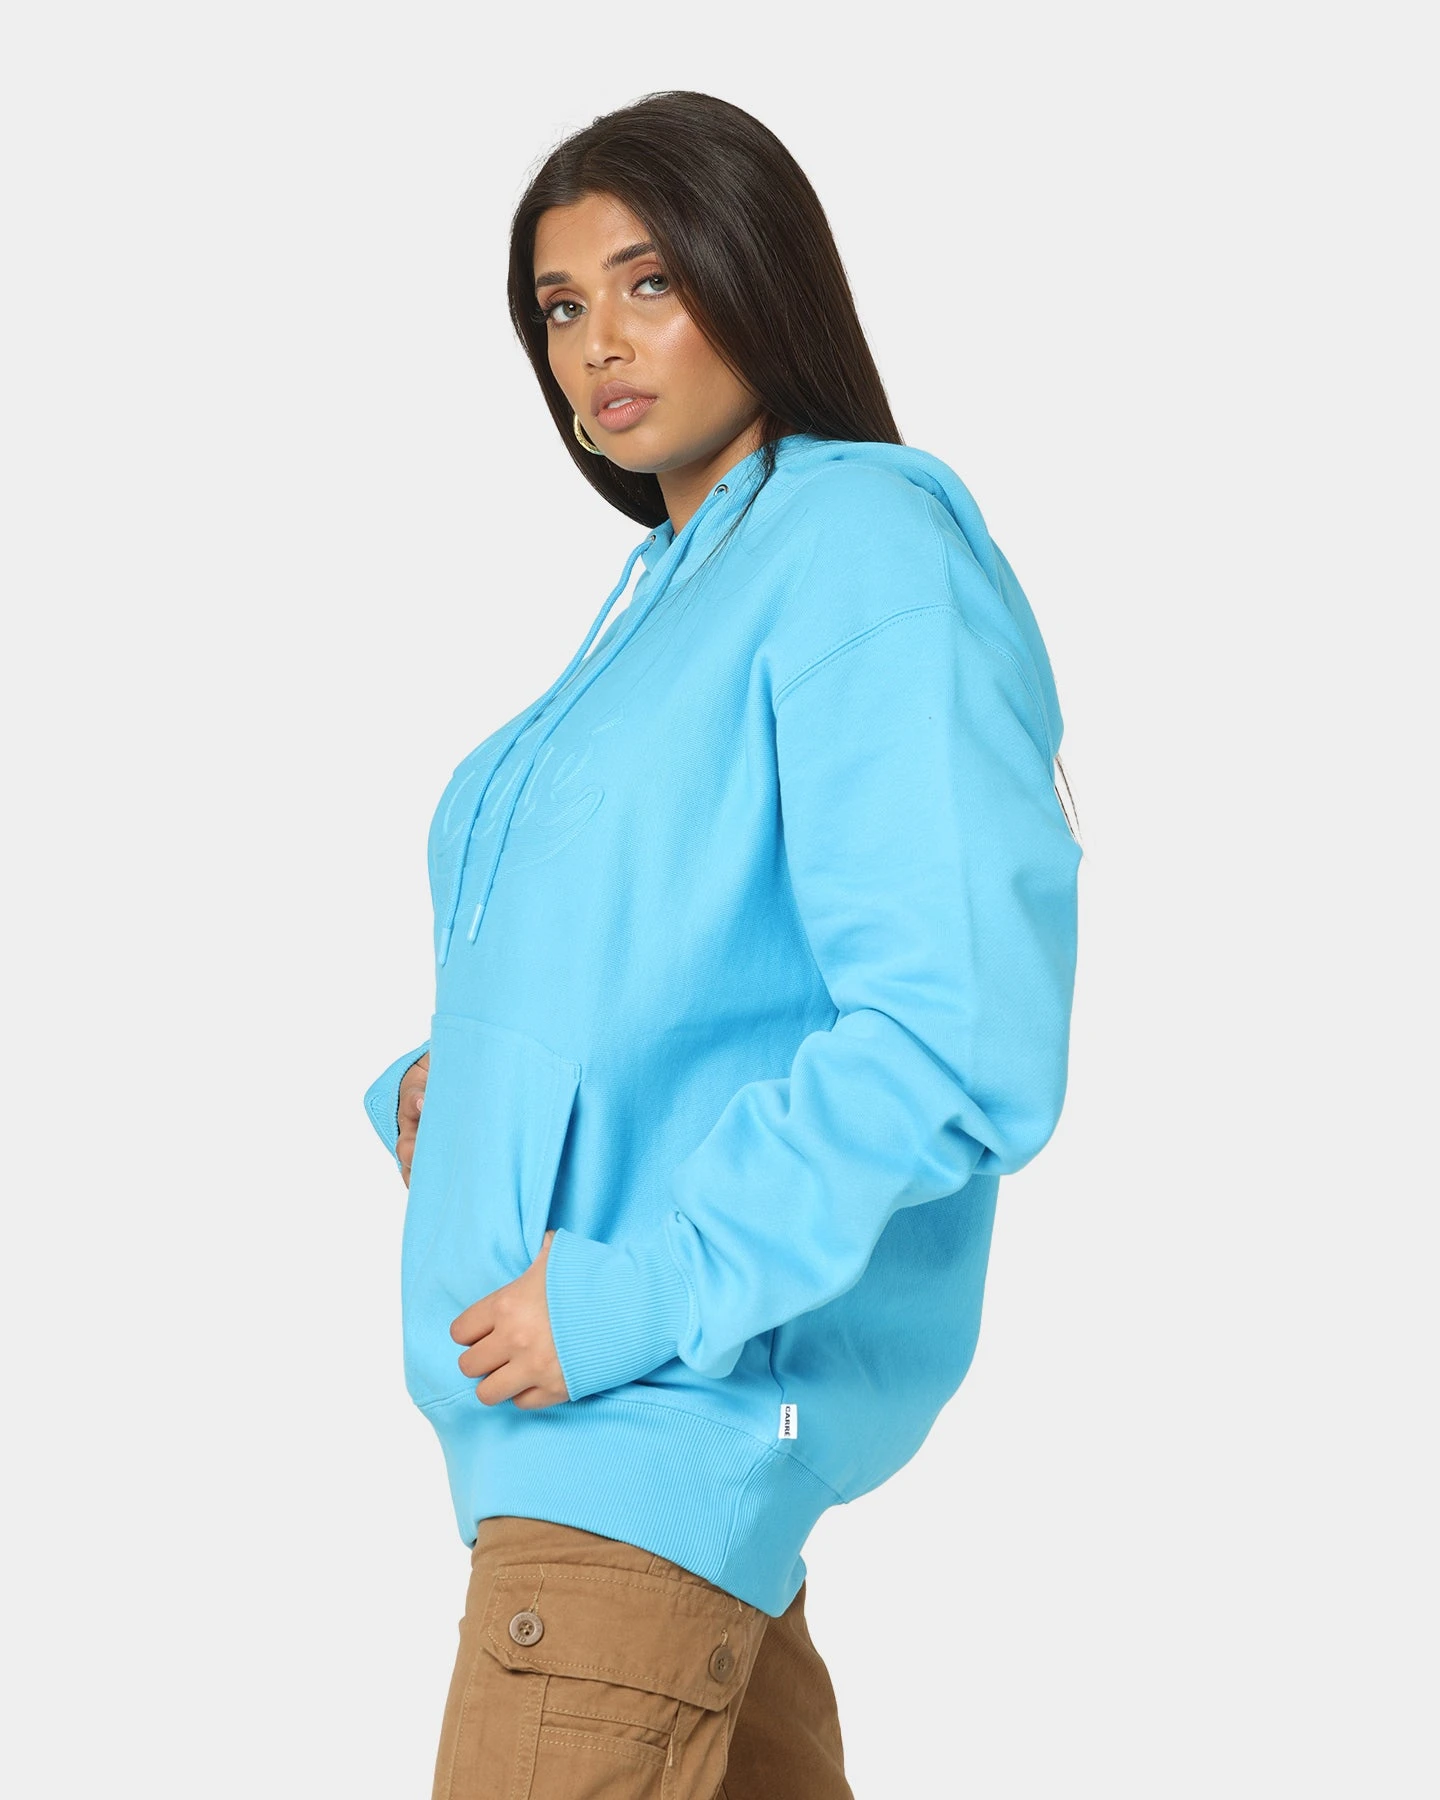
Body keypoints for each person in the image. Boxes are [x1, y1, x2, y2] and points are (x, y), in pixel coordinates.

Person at [363, 89, 1083, 1800]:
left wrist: (641, 1293)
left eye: (650, 281)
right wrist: (457, 1093)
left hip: (633, 1452)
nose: (598, 344)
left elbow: (947, 1033)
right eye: (560, 306)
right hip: (599, 1469)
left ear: (758, 274)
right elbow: (675, 968)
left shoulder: (858, 545)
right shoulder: (678, 588)